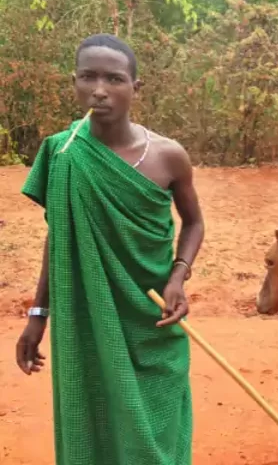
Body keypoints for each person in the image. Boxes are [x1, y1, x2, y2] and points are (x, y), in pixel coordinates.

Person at [15, 33, 205, 465]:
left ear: (136, 88)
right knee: (92, 419)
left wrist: (179, 275)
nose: (99, 90)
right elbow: (60, 237)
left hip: (153, 317)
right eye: (88, 77)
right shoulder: (61, 153)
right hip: (86, 318)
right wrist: (37, 316)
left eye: (114, 79)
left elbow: (193, 222)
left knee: (157, 431)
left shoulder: (169, 156)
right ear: (75, 82)